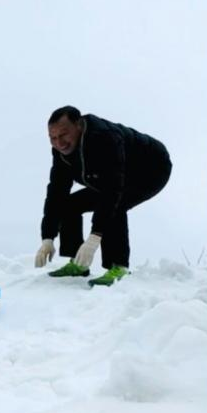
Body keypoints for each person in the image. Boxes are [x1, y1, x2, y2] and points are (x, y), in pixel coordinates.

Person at [35, 106, 172, 286]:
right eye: (53, 138)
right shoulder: (61, 152)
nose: (59, 142)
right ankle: (78, 264)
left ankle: (118, 267)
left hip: (151, 169)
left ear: (78, 125)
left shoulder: (104, 138)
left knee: (116, 203)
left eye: (64, 134)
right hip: (109, 176)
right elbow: (56, 191)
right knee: (68, 205)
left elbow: (112, 191)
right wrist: (48, 237)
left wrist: (94, 238)